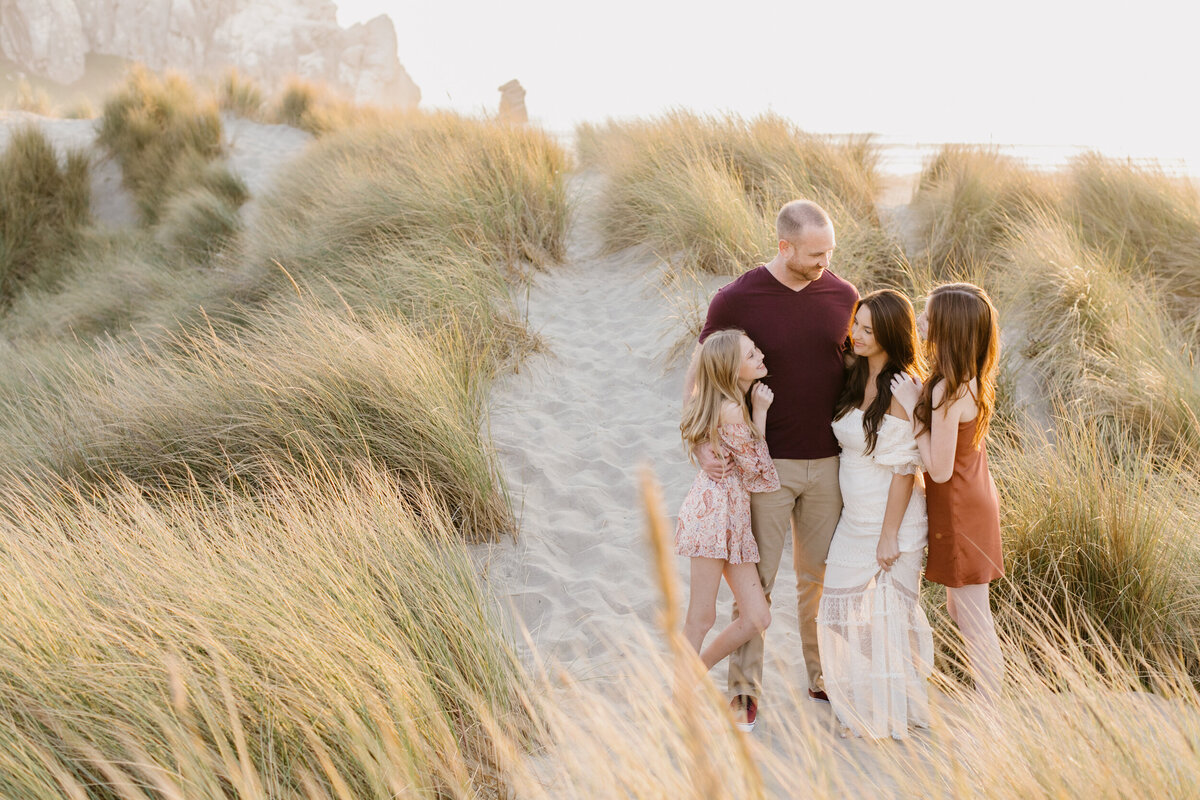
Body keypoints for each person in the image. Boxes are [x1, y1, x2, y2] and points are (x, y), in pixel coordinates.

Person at [685, 200, 858, 731]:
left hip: (829, 461)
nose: (825, 262)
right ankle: (743, 691)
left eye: (830, 251)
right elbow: (701, 373)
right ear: (784, 246)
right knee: (758, 581)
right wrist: (696, 441)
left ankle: (821, 675)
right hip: (763, 465)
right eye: (814, 254)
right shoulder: (737, 298)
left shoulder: (844, 295)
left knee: (818, 577)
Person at [816, 289, 934, 739]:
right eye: (856, 325)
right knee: (839, 611)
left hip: (895, 522)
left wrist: (889, 536)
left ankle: (896, 707)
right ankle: (887, 686)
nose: (857, 335)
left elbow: (906, 470)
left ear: (890, 335)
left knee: (892, 614)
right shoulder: (853, 374)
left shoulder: (904, 387)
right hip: (855, 519)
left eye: (868, 329)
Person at [891, 283, 1004, 700]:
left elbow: (937, 470)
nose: (920, 322)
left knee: (975, 616)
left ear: (949, 330)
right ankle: (985, 700)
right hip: (973, 499)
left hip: (960, 506)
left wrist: (911, 405)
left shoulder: (946, 390)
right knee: (963, 607)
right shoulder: (967, 378)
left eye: (928, 316)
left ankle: (990, 712)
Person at [675, 330, 779, 671]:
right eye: (750, 355)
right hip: (712, 516)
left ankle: (696, 671)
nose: (760, 355)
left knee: (757, 617)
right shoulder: (733, 409)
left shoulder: (725, 400)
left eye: (756, 348)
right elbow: (758, 472)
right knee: (701, 617)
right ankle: (681, 701)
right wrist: (761, 410)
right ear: (732, 370)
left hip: (731, 517)